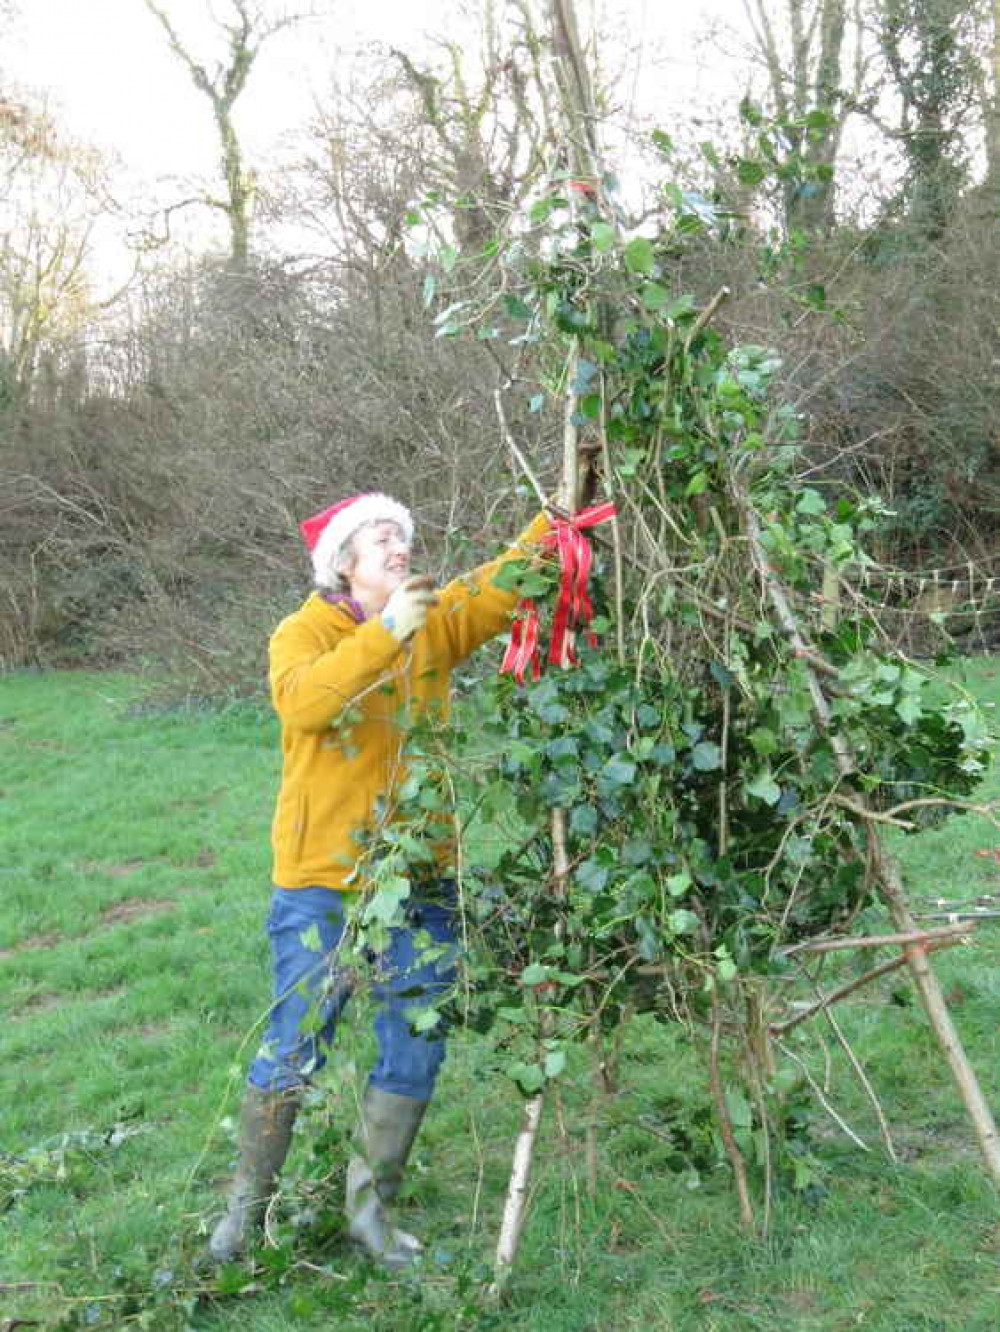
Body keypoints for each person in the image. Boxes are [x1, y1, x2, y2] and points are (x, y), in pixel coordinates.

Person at [208, 492, 550, 1269]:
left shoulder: (431, 616)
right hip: (323, 881)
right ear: (344, 562)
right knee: (296, 1042)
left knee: (416, 1045)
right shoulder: (302, 633)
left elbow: (502, 581)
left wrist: (564, 513)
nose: (401, 548)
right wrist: (386, 632)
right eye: (383, 538)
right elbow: (306, 705)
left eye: (404, 537)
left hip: (421, 875)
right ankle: (243, 1217)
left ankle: (370, 1212)